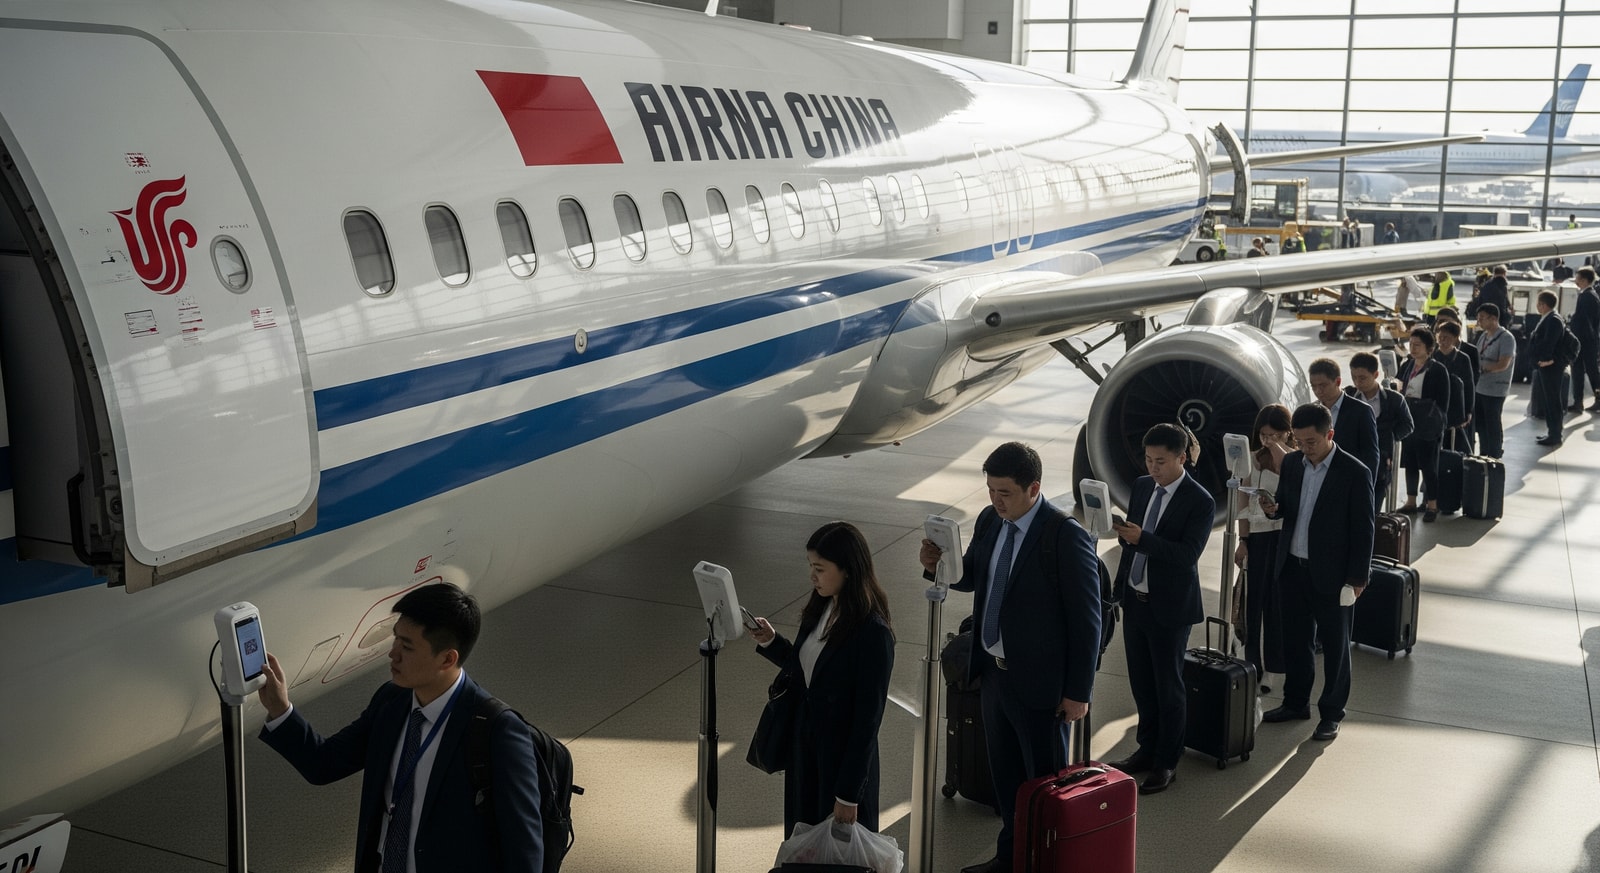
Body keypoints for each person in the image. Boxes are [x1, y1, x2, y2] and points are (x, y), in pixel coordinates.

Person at [257, 582, 544, 873]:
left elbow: (524, 849)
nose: (393, 654)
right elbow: (325, 763)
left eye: (407, 646)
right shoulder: (391, 702)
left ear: (447, 658)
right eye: (396, 640)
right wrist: (280, 710)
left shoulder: (497, 730)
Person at [918, 442, 1101, 873]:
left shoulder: (1064, 535)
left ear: (1033, 488)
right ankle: (1011, 855)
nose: (995, 501)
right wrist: (937, 564)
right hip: (994, 678)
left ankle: (1046, 861)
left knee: (1044, 784)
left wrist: (1079, 692)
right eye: (990, 490)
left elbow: (1086, 620)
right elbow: (973, 576)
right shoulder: (990, 521)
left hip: (1039, 686)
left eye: (1005, 492)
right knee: (1006, 781)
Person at [752, 522, 895, 837]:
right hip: (806, 753)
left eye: (819, 568)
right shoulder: (821, 608)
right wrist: (771, 642)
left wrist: (848, 794)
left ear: (847, 570)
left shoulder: (873, 633)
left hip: (840, 765)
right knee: (803, 846)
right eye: (810, 567)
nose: (812, 576)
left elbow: (867, 722)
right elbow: (809, 673)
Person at [1106, 424, 1214, 796]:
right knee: (1142, 682)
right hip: (1136, 601)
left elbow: (1187, 556)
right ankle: (1146, 748)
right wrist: (1120, 589)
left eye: (1161, 462)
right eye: (1149, 460)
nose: (1153, 468)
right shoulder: (1140, 487)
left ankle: (1167, 760)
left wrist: (1144, 540)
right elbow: (1130, 544)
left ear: (1182, 458)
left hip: (1169, 608)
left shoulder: (1199, 500)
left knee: (1169, 687)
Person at [1258, 403, 1374, 744]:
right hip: (1292, 566)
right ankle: (1296, 703)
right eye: (1300, 440)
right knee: (1296, 640)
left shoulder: (1354, 472)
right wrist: (1274, 508)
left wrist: (1357, 579)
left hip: (1334, 576)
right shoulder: (1293, 463)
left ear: (1330, 435)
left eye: (1311, 442)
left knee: (1336, 647)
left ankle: (1332, 713)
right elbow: (1287, 505)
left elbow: (1363, 530)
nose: (1305, 448)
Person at [1233, 405, 1292, 692]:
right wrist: (1243, 541)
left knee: (1277, 605)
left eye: (1274, 434)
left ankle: (1274, 668)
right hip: (1256, 535)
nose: (1267, 440)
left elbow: (1287, 470)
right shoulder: (1252, 460)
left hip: (1281, 537)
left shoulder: (1294, 459)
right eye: (1263, 434)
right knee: (1253, 604)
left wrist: (1278, 446)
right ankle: (1252, 663)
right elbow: (1243, 504)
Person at [1397, 326, 1453, 522]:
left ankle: (1432, 504)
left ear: (1429, 348)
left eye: (1417, 345)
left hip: (1428, 424)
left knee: (1429, 465)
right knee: (1410, 462)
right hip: (1410, 420)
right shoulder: (1406, 366)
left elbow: (1443, 401)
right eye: (1411, 344)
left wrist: (1435, 420)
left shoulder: (1438, 370)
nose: (1413, 348)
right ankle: (1411, 501)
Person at [1346, 353, 1414, 506]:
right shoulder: (1348, 396)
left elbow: (1408, 425)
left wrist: (1388, 437)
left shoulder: (1394, 400)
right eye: (1354, 377)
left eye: (1362, 378)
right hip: (1353, 458)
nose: (1357, 382)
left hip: (1381, 461)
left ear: (1375, 374)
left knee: (1373, 504)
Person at [1308, 357, 1380, 499]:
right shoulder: (1311, 411)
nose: (1318, 391)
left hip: (1349, 485)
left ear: (1338, 382)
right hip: (1317, 486)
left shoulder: (1361, 411)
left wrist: (1365, 490)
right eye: (1313, 386)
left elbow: (1371, 455)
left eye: (1323, 385)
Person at [1472, 304, 1516, 459]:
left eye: (1482, 318)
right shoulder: (1483, 336)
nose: (1479, 321)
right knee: (1481, 424)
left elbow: (1503, 364)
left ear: (1493, 318)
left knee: (1493, 422)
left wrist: (1484, 368)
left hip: (1496, 389)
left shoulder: (1506, 338)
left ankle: (1495, 453)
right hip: (1480, 387)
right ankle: (1484, 451)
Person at [1529, 290, 1568, 446]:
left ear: (1543, 305)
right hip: (1546, 366)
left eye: (1539, 303)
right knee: (1549, 400)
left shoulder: (1553, 320)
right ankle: (1552, 431)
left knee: (1553, 401)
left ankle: (1555, 434)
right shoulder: (1549, 318)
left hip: (1550, 367)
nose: (1537, 306)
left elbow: (1549, 344)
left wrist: (1544, 360)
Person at [1434, 321, 1477, 456]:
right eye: (1439, 337)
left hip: (1455, 406)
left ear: (1455, 338)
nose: (1442, 341)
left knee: (1454, 441)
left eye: (1446, 337)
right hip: (1435, 405)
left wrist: (1468, 410)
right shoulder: (1433, 356)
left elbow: (1469, 385)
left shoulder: (1463, 359)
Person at [1569, 267, 1600, 413]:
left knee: (1587, 371)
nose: (1576, 281)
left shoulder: (1586, 296)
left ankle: (1584, 400)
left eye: (1577, 278)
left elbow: (1584, 321)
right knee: (1583, 370)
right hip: (1589, 340)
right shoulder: (1591, 295)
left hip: (1585, 340)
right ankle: (1579, 401)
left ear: (1583, 279)